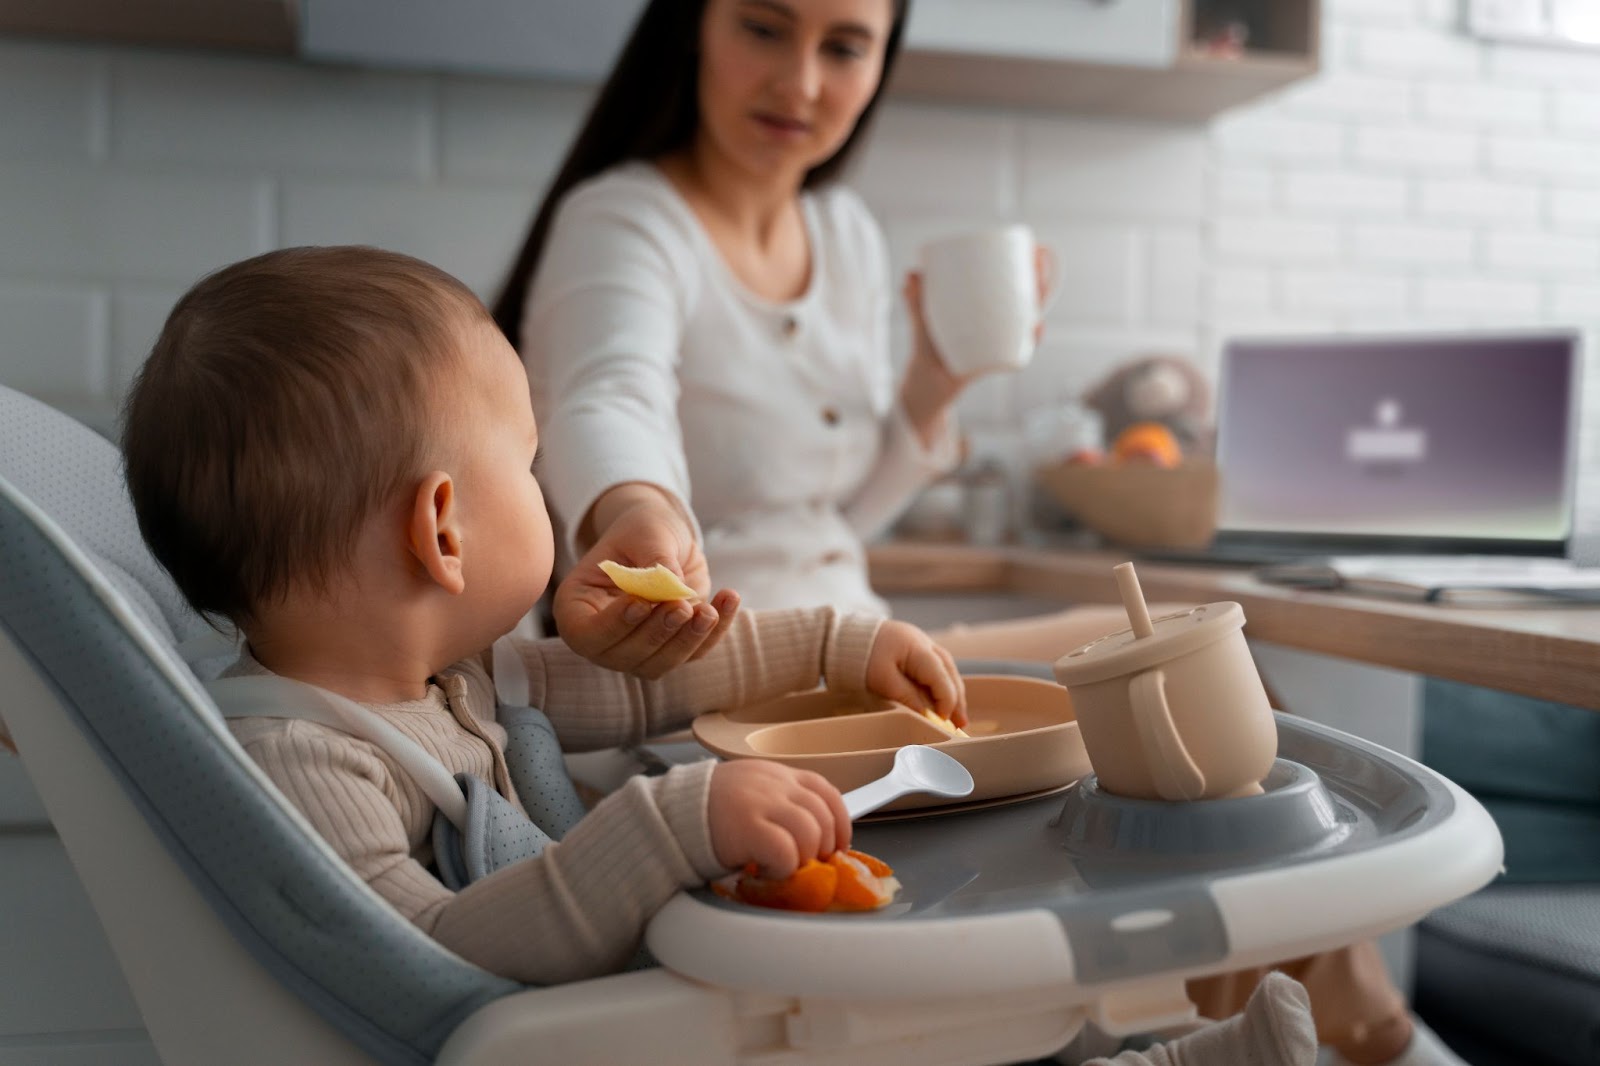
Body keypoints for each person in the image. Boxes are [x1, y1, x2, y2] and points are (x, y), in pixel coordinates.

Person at [494, 2, 1467, 1062]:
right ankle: (1354, 1033)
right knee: (1176, 684)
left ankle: (1254, 1019)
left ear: (881, 60)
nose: (803, 83)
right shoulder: (625, 218)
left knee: (1193, 667)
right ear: (692, 28)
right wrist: (638, 516)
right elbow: (606, 396)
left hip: (856, 652)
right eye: (765, 29)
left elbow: (823, 519)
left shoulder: (844, 236)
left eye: (844, 45)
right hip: (728, 692)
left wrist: (929, 388)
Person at [120, 245, 970, 986]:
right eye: (527, 462)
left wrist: (836, 646)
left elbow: (642, 690)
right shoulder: (301, 764)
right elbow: (433, 953)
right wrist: (670, 827)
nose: (544, 487)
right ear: (442, 530)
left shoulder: (451, 677)